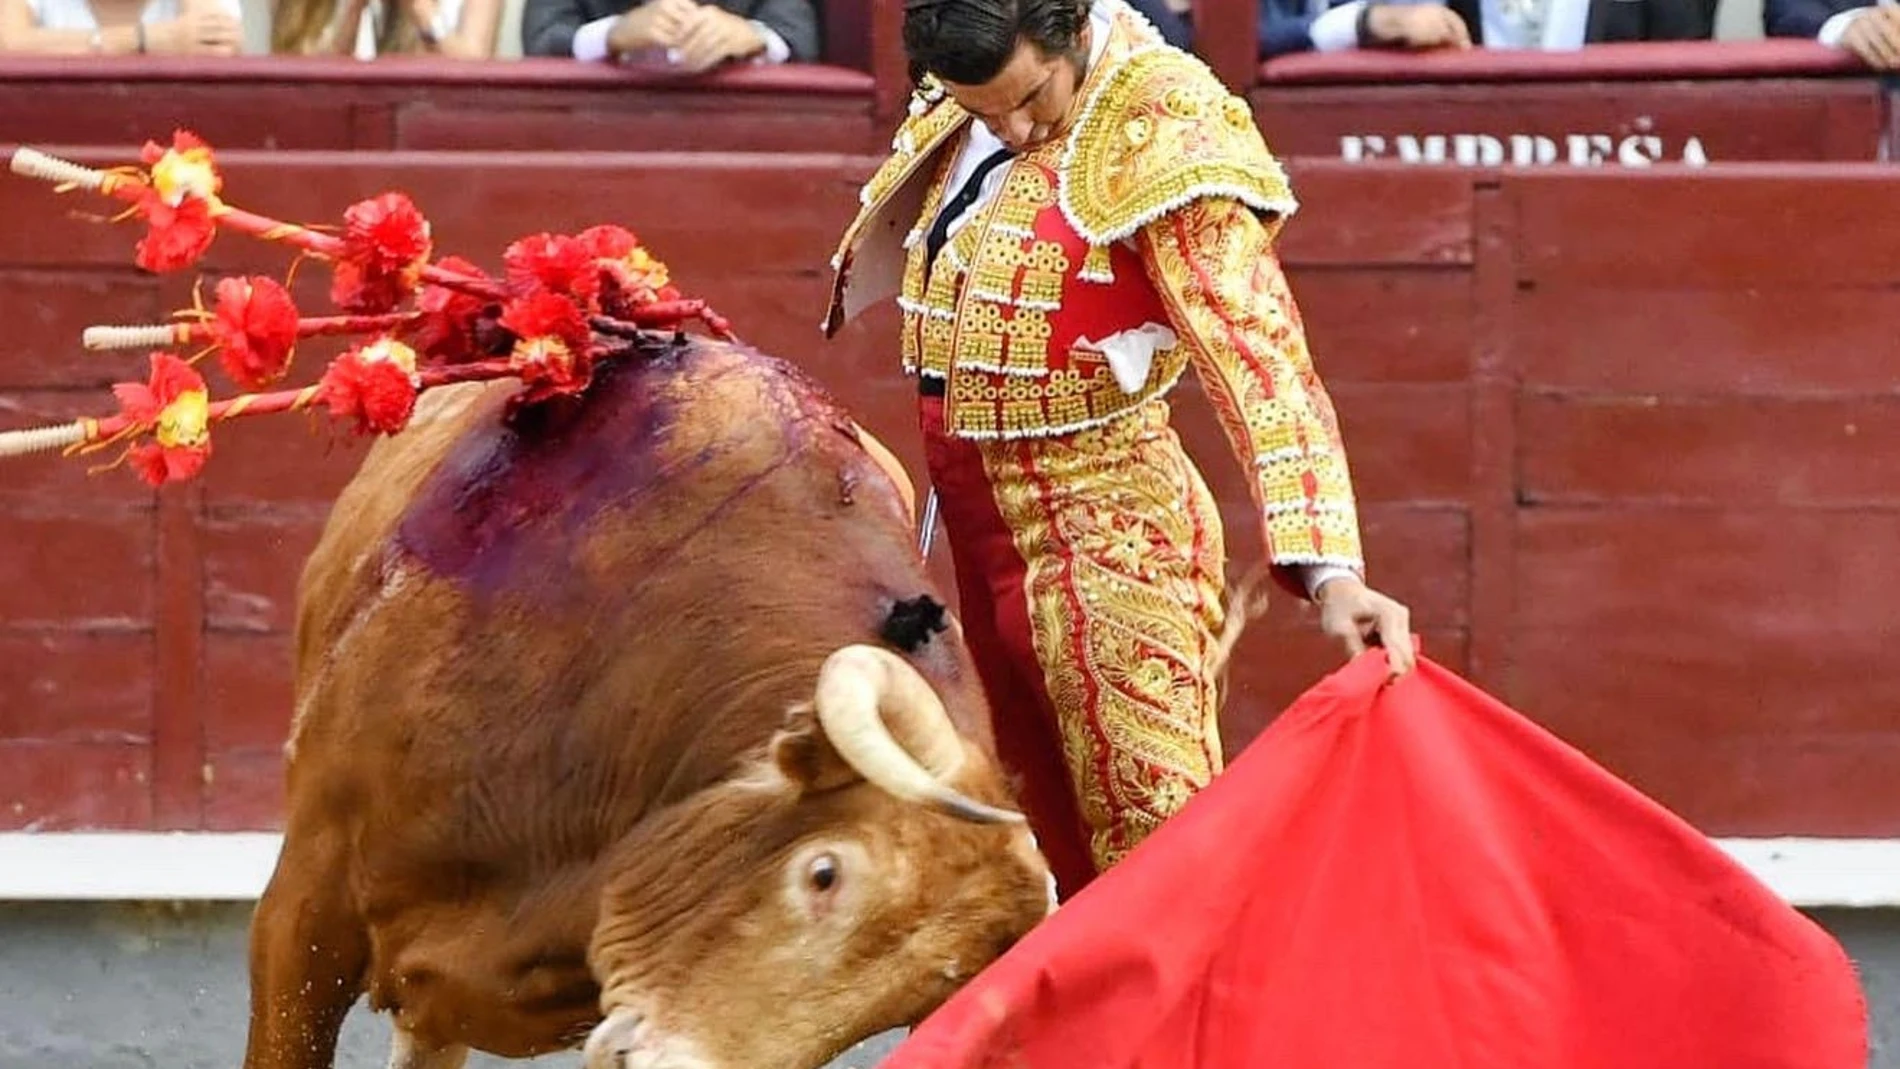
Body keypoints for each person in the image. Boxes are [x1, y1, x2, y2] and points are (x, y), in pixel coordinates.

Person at [821, 0, 1415, 900]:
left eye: (1030, 98)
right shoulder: (970, 94)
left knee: (1161, 853)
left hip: (1108, 533)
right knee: (1042, 842)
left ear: (1068, 29)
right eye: (985, 112)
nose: (1013, 128)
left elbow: (1260, 359)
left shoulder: (1165, 120)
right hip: (980, 534)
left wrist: (1332, 572)